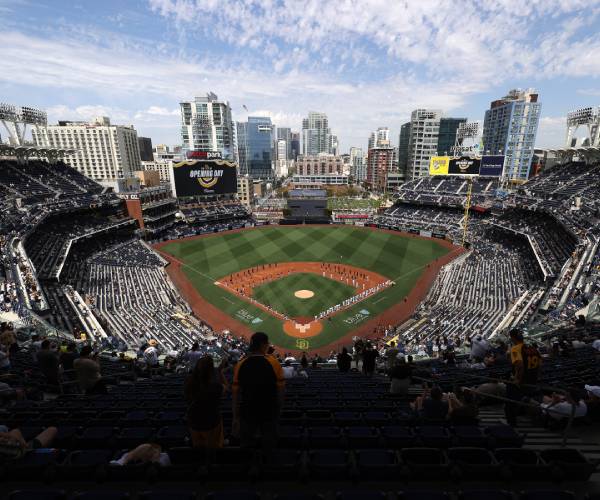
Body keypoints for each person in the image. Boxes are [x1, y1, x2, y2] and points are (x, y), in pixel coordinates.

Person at [232, 332, 284, 455]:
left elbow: (235, 395)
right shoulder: (274, 362)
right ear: (263, 345)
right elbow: (281, 391)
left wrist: (235, 417)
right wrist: (279, 410)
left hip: (247, 412)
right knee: (269, 447)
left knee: (246, 447)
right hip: (269, 412)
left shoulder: (240, 364)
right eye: (267, 344)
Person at [184, 355, 224, 448]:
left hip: (193, 419)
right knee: (213, 448)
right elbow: (226, 387)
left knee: (198, 448)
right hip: (210, 420)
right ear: (211, 370)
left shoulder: (188, 382)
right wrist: (220, 371)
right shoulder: (215, 386)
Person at [505, 328, 541, 426]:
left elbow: (520, 366)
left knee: (509, 403)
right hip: (533, 380)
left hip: (522, 381)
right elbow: (539, 364)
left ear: (512, 338)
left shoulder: (515, 349)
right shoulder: (533, 348)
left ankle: (511, 424)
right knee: (523, 398)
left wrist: (517, 380)